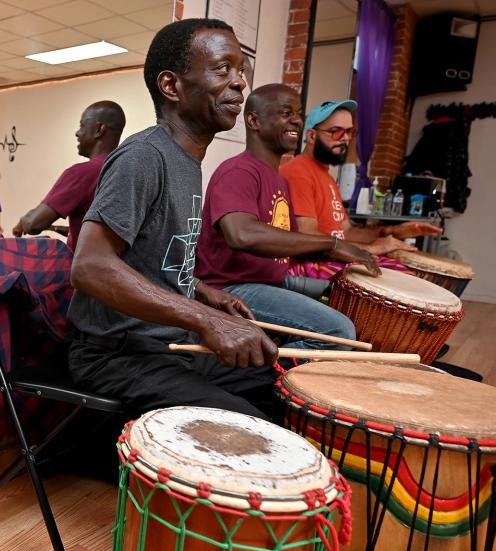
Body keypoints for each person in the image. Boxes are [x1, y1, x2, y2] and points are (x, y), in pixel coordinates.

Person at [68, 19, 279, 421]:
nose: (239, 84)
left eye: (240, 71)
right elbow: (91, 266)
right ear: (171, 86)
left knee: (279, 388)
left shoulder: (187, 160)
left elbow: (149, 256)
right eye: (222, 69)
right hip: (117, 354)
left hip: (169, 345)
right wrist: (206, 320)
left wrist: (200, 290)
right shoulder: (144, 156)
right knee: (251, 424)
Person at [195, 84, 377, 349]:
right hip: (231, 287)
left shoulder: (278, 180)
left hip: (271, 279)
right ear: (254, 120)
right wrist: (332, 244)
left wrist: (345, 259)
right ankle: (270, 381)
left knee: (349, 299)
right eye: (286, 113)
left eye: (299, 113)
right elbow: (242, 234)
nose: (297, 120)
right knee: (338, 331)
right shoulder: (239, 171)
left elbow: (288, 245)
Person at [280, 99, 442, 280]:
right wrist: (370, 249)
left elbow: (347, 231)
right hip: (309, 266)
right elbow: (308, 238)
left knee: (411, 278)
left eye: (349, 132)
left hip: (332, 257)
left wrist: (391, 232)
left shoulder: (327, 177)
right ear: (311, 136)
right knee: (400, 282)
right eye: (336, 132)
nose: (346, 138)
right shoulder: (298, 172)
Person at [12, 101, 126, 251]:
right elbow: (102, 233)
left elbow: (34, 223)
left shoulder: (82, 173)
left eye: (82, 125)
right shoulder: (128, 170)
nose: (77, 133)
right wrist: (55, 228)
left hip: (85, 271)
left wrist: (22, 223)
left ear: (99, 129)